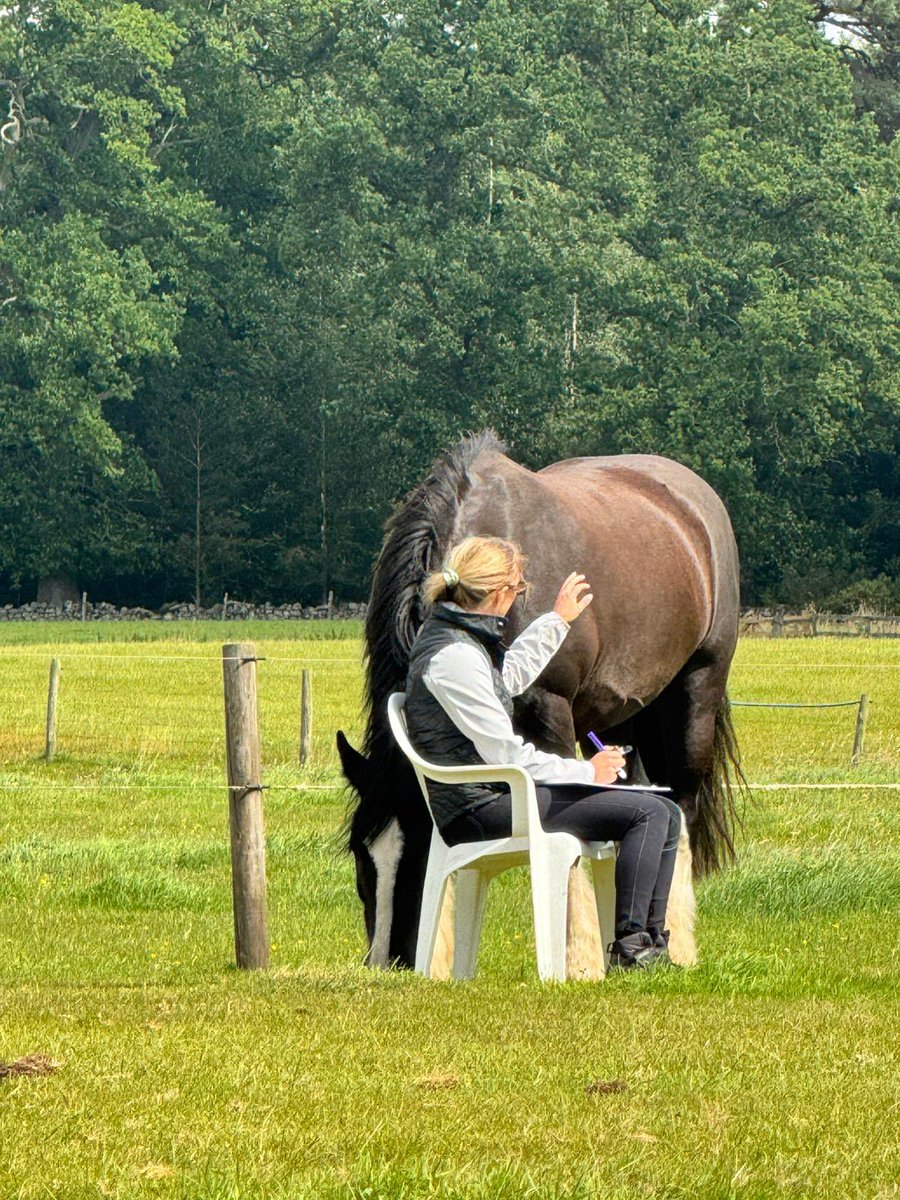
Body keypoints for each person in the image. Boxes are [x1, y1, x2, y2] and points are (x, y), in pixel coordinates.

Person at [404, 535, 681, 970]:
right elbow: (507, 754)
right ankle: (633, 951)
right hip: (480, 807)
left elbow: (506, 680)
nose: (518, 596)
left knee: (663, 809)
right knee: (648, 813)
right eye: (518, 588)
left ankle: (648, 945)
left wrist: (557, 619)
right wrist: (586, 771)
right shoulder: (453, 656)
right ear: (498, 593)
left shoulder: (459, 641)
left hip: (495, 796)